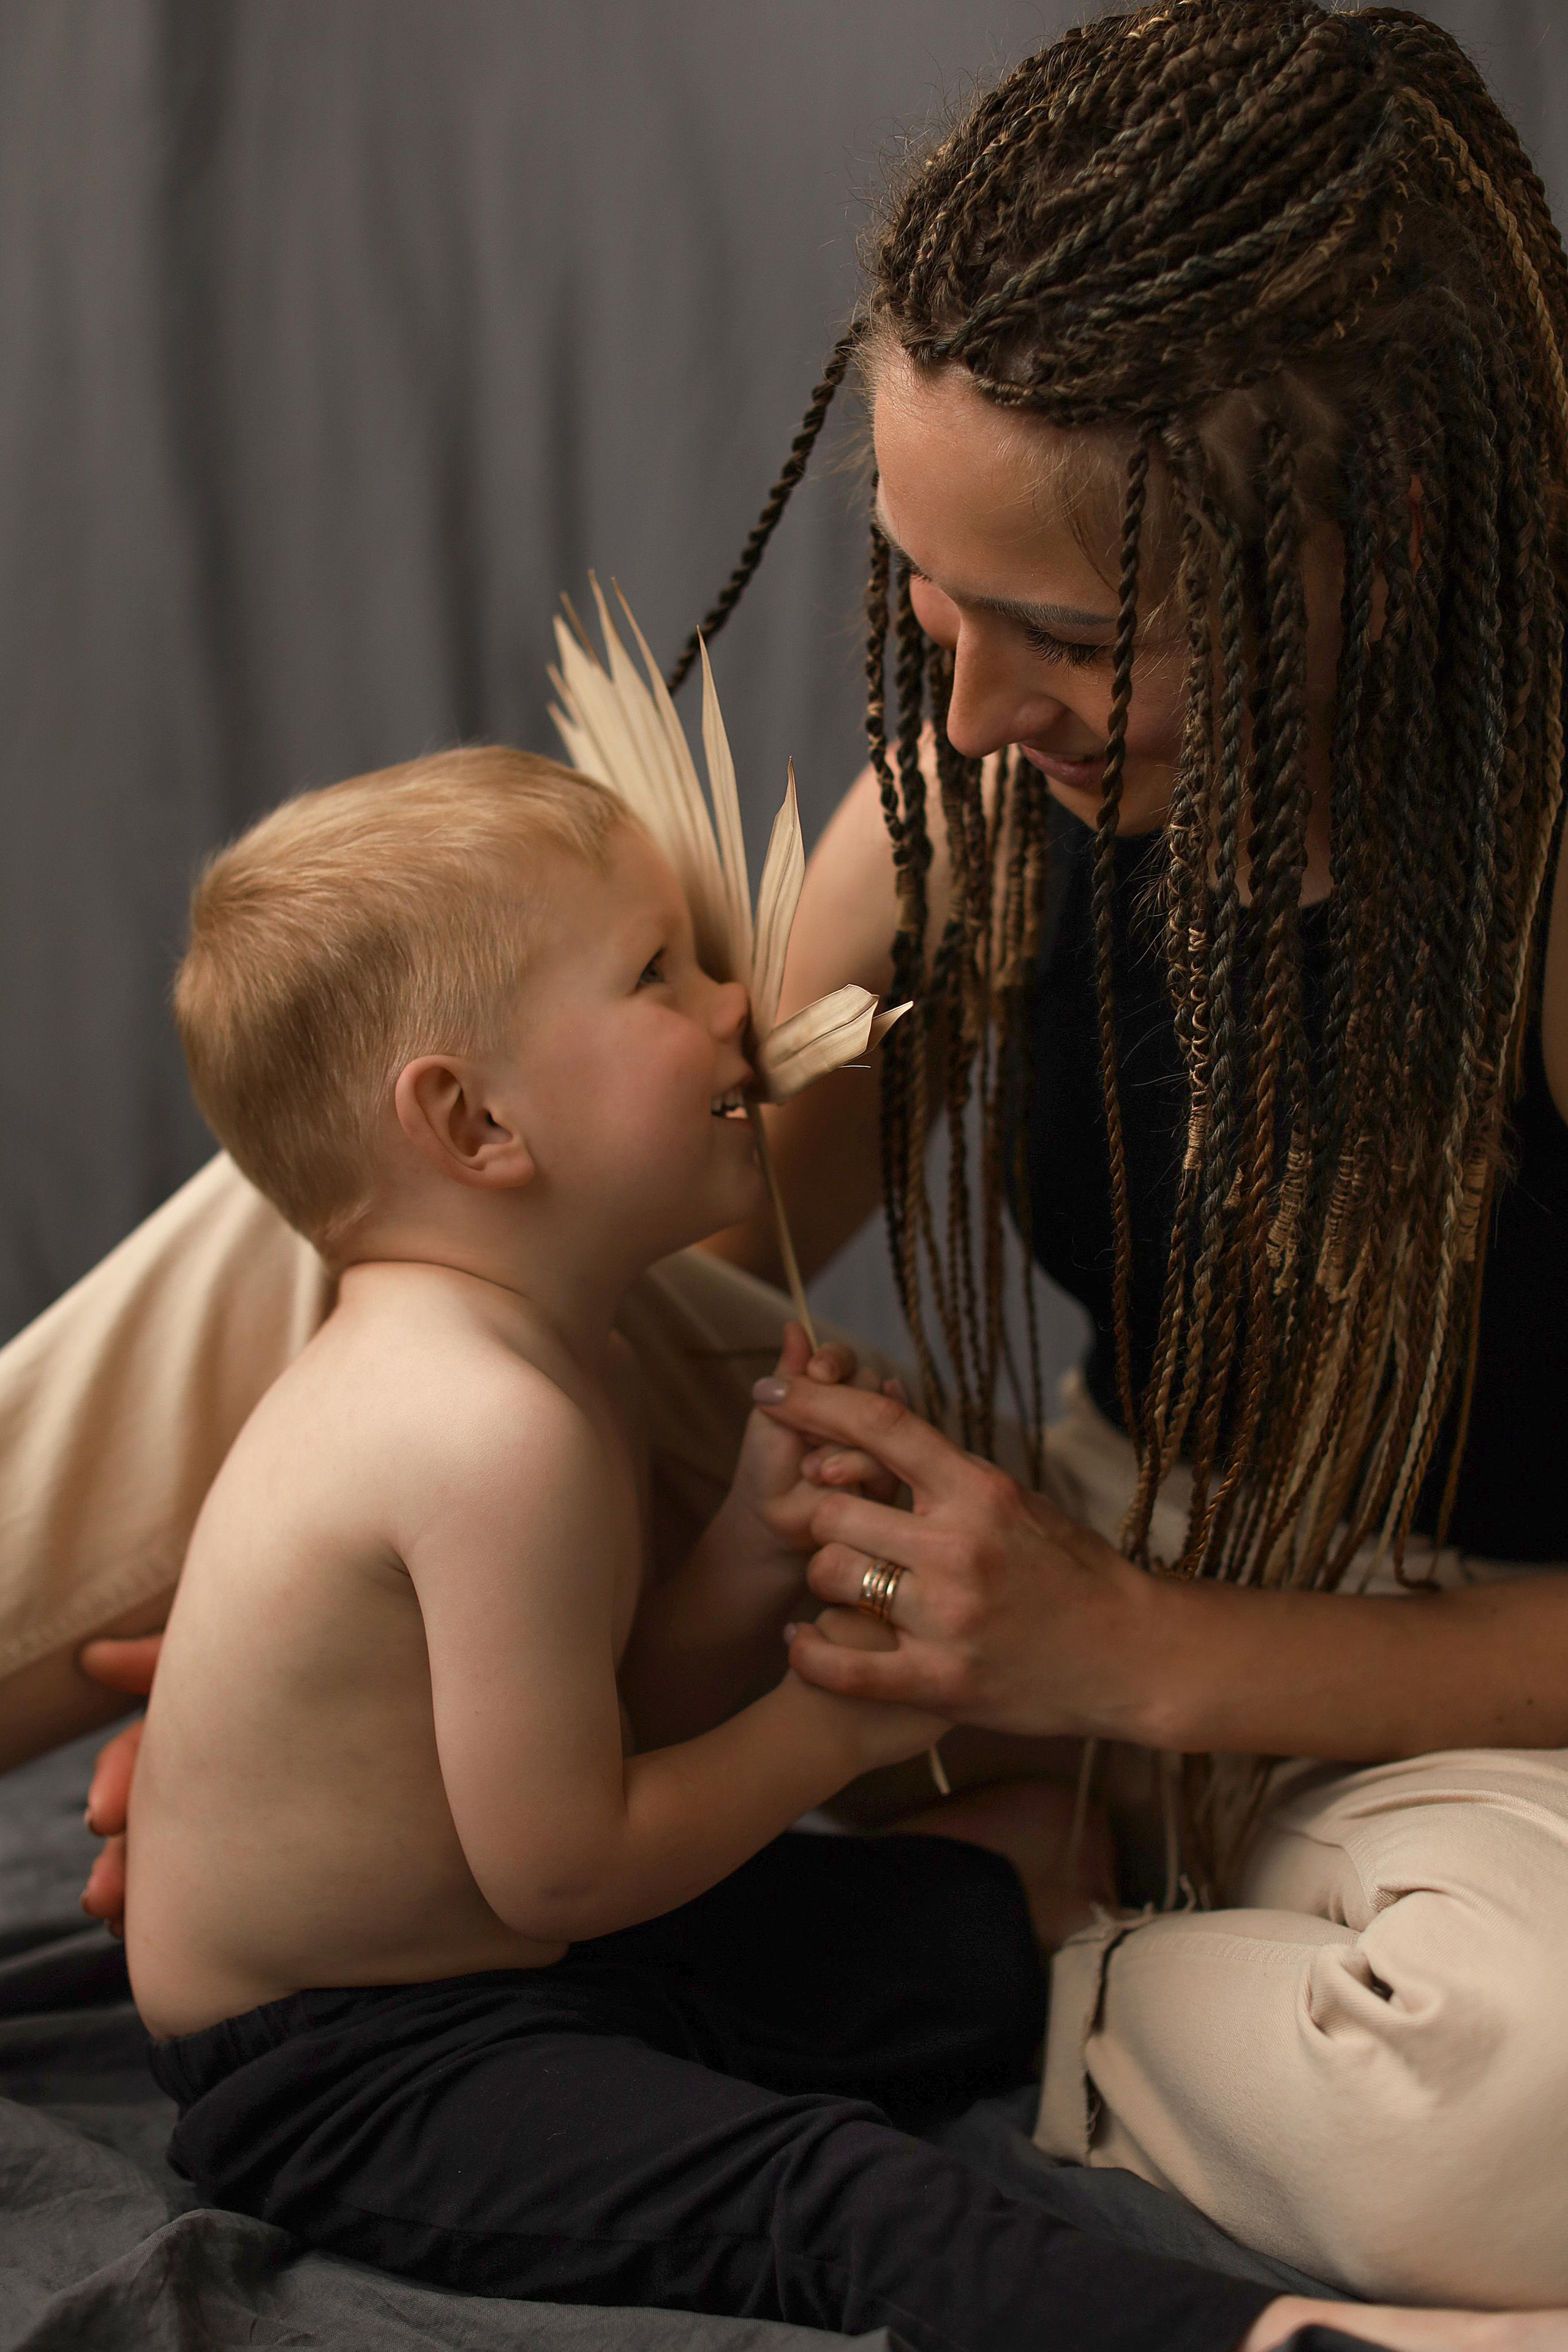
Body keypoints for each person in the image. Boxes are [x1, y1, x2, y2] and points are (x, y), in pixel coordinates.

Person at [24, 0, 1568, 2332]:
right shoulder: (988, 798)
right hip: (1005, 1581)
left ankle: (1020, 1941)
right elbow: (647, 1225)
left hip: (1441, 1698)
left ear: (1397, 541)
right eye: (920, 591)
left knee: (1509, 2100)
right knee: (416, 1158)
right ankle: (982, 1896)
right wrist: (303, 1669)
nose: (955, 713)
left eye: (1065, 633)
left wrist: (1132, 1651)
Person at [123, 739, 1317, 2352]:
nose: (737, 1005)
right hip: (352, 2064)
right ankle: (1272, 2339)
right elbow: (561, 1870)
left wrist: (752, 1555)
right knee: (825, 2191)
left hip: (512, 1954)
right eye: (656, 973)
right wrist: (835, 1720)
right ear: (475, 1121)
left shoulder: (555, 1348)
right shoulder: (481, 1430)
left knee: (1009, 1881)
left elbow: (612, 1728)